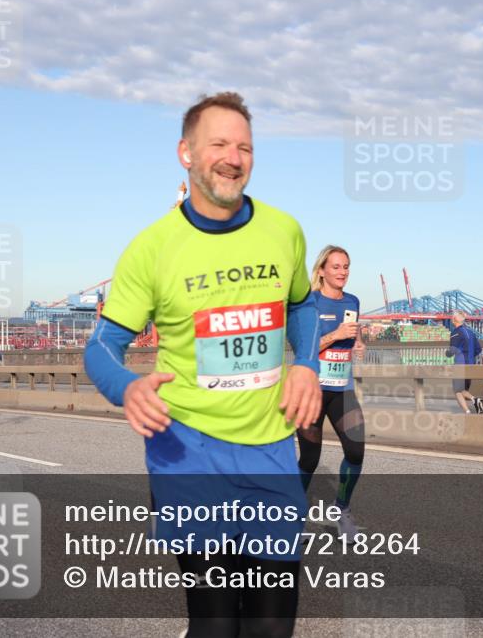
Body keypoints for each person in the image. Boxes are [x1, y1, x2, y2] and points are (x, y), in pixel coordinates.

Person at [84, 91, 322, 637]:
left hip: (268, 453)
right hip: (187, 452)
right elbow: (100, 345)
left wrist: (306, 363)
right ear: (185, 153)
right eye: (218, 143)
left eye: (245, 146)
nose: (233, 157)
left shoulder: (284, 230)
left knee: (270, 628)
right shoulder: (152, 248)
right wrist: (127, 387)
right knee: (216, 626)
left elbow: (302, 303)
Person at [296, 245, 366, 542]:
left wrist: (360, 344)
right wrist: (335, 335)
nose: (342, 272)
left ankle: (342, 511)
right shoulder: (309, 303)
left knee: (355, 449)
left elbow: (354, 333)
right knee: (310, 459)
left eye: (346, 266)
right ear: (322, 270)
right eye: (336, 267)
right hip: (311, 390)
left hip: (342, 389)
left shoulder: (353, 301)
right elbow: (304, 349)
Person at [447, 310, 483, 414]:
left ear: (454, 319)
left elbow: (452, 350)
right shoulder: (471, 332)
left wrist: (448, 353)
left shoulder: (455, 333)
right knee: (463, 389)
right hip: (471, 365)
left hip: (460, 365)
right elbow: (479, 349)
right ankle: (475, 400)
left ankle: (468, 410)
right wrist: (470, 357)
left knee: (457, 390)